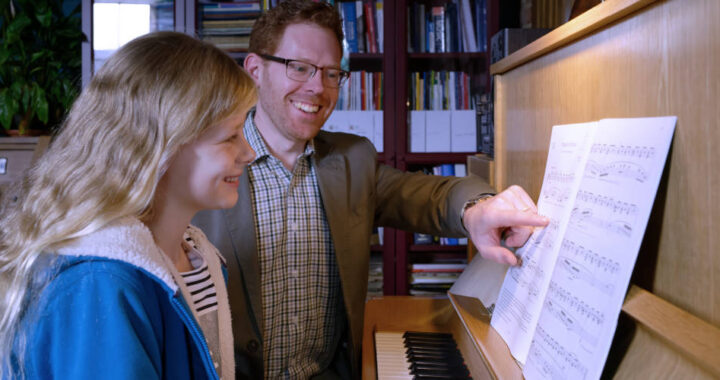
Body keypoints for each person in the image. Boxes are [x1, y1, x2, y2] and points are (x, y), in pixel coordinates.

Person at [192, 1, 549, 378]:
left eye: (331, 73)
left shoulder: (352, 160)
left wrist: (478, 209)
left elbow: (430, 195)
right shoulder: (200, 161)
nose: (317, 88)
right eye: (299, 68)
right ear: (255, 70)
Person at [0, 31, 256, 379]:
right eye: (230, 137)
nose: (249, 153)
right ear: (162, 146)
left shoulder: (192, 256)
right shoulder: (100, 282)